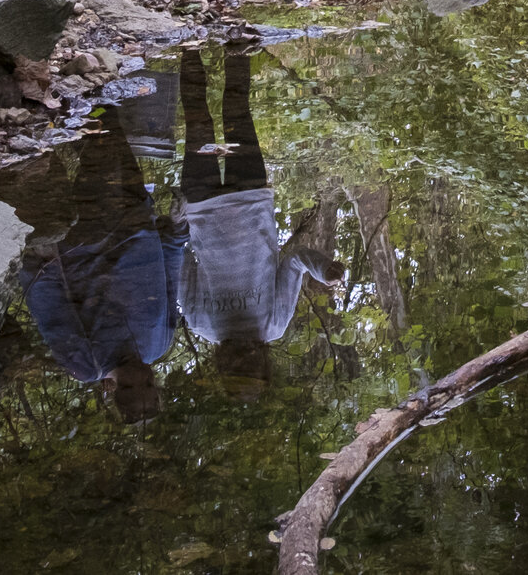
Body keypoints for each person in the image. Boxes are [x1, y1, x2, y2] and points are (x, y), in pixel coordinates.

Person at [173, 46, 337, 397]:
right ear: (264, 362)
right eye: (253, 365)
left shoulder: (202, 323)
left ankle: (188, 46)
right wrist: (324, 271)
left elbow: (179, 261)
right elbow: (294, 262)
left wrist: (175, 223)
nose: (245, 356)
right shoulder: (273, 324)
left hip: (201, 203)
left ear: (223, 365)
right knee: (236, 109)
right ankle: (235, 35)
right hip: (250, 196)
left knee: (198, 119)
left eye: (238, 367)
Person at [19, 110, 181, 425]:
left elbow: (51, 313)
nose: (142, 376)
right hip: (137, 217)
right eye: (149, 383)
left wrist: (39, 261)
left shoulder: (86, 365)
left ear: (112, 389)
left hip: (88, 238)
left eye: (133, 385)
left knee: (92, 142)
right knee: (108, 136)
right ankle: (63, 97)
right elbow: (170, 283)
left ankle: (49, 101)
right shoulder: (160, 345)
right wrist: (176, 232)